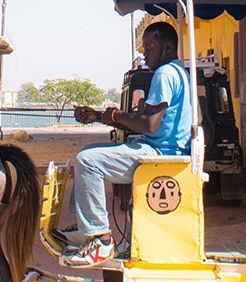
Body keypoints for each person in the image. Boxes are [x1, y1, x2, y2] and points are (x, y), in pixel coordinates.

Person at [60, 20, 193, 268]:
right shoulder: (179, 72)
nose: (145, 55)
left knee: (87, 162)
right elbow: (144, 122)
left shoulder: (165, 74)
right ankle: (85, 224)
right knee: (88, 152)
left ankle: (100, 240)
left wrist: (115, 116)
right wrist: (100, 116)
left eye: (149, 49)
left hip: (160, 154)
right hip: (159, 147)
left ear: (166, 47)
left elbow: (149, 124)